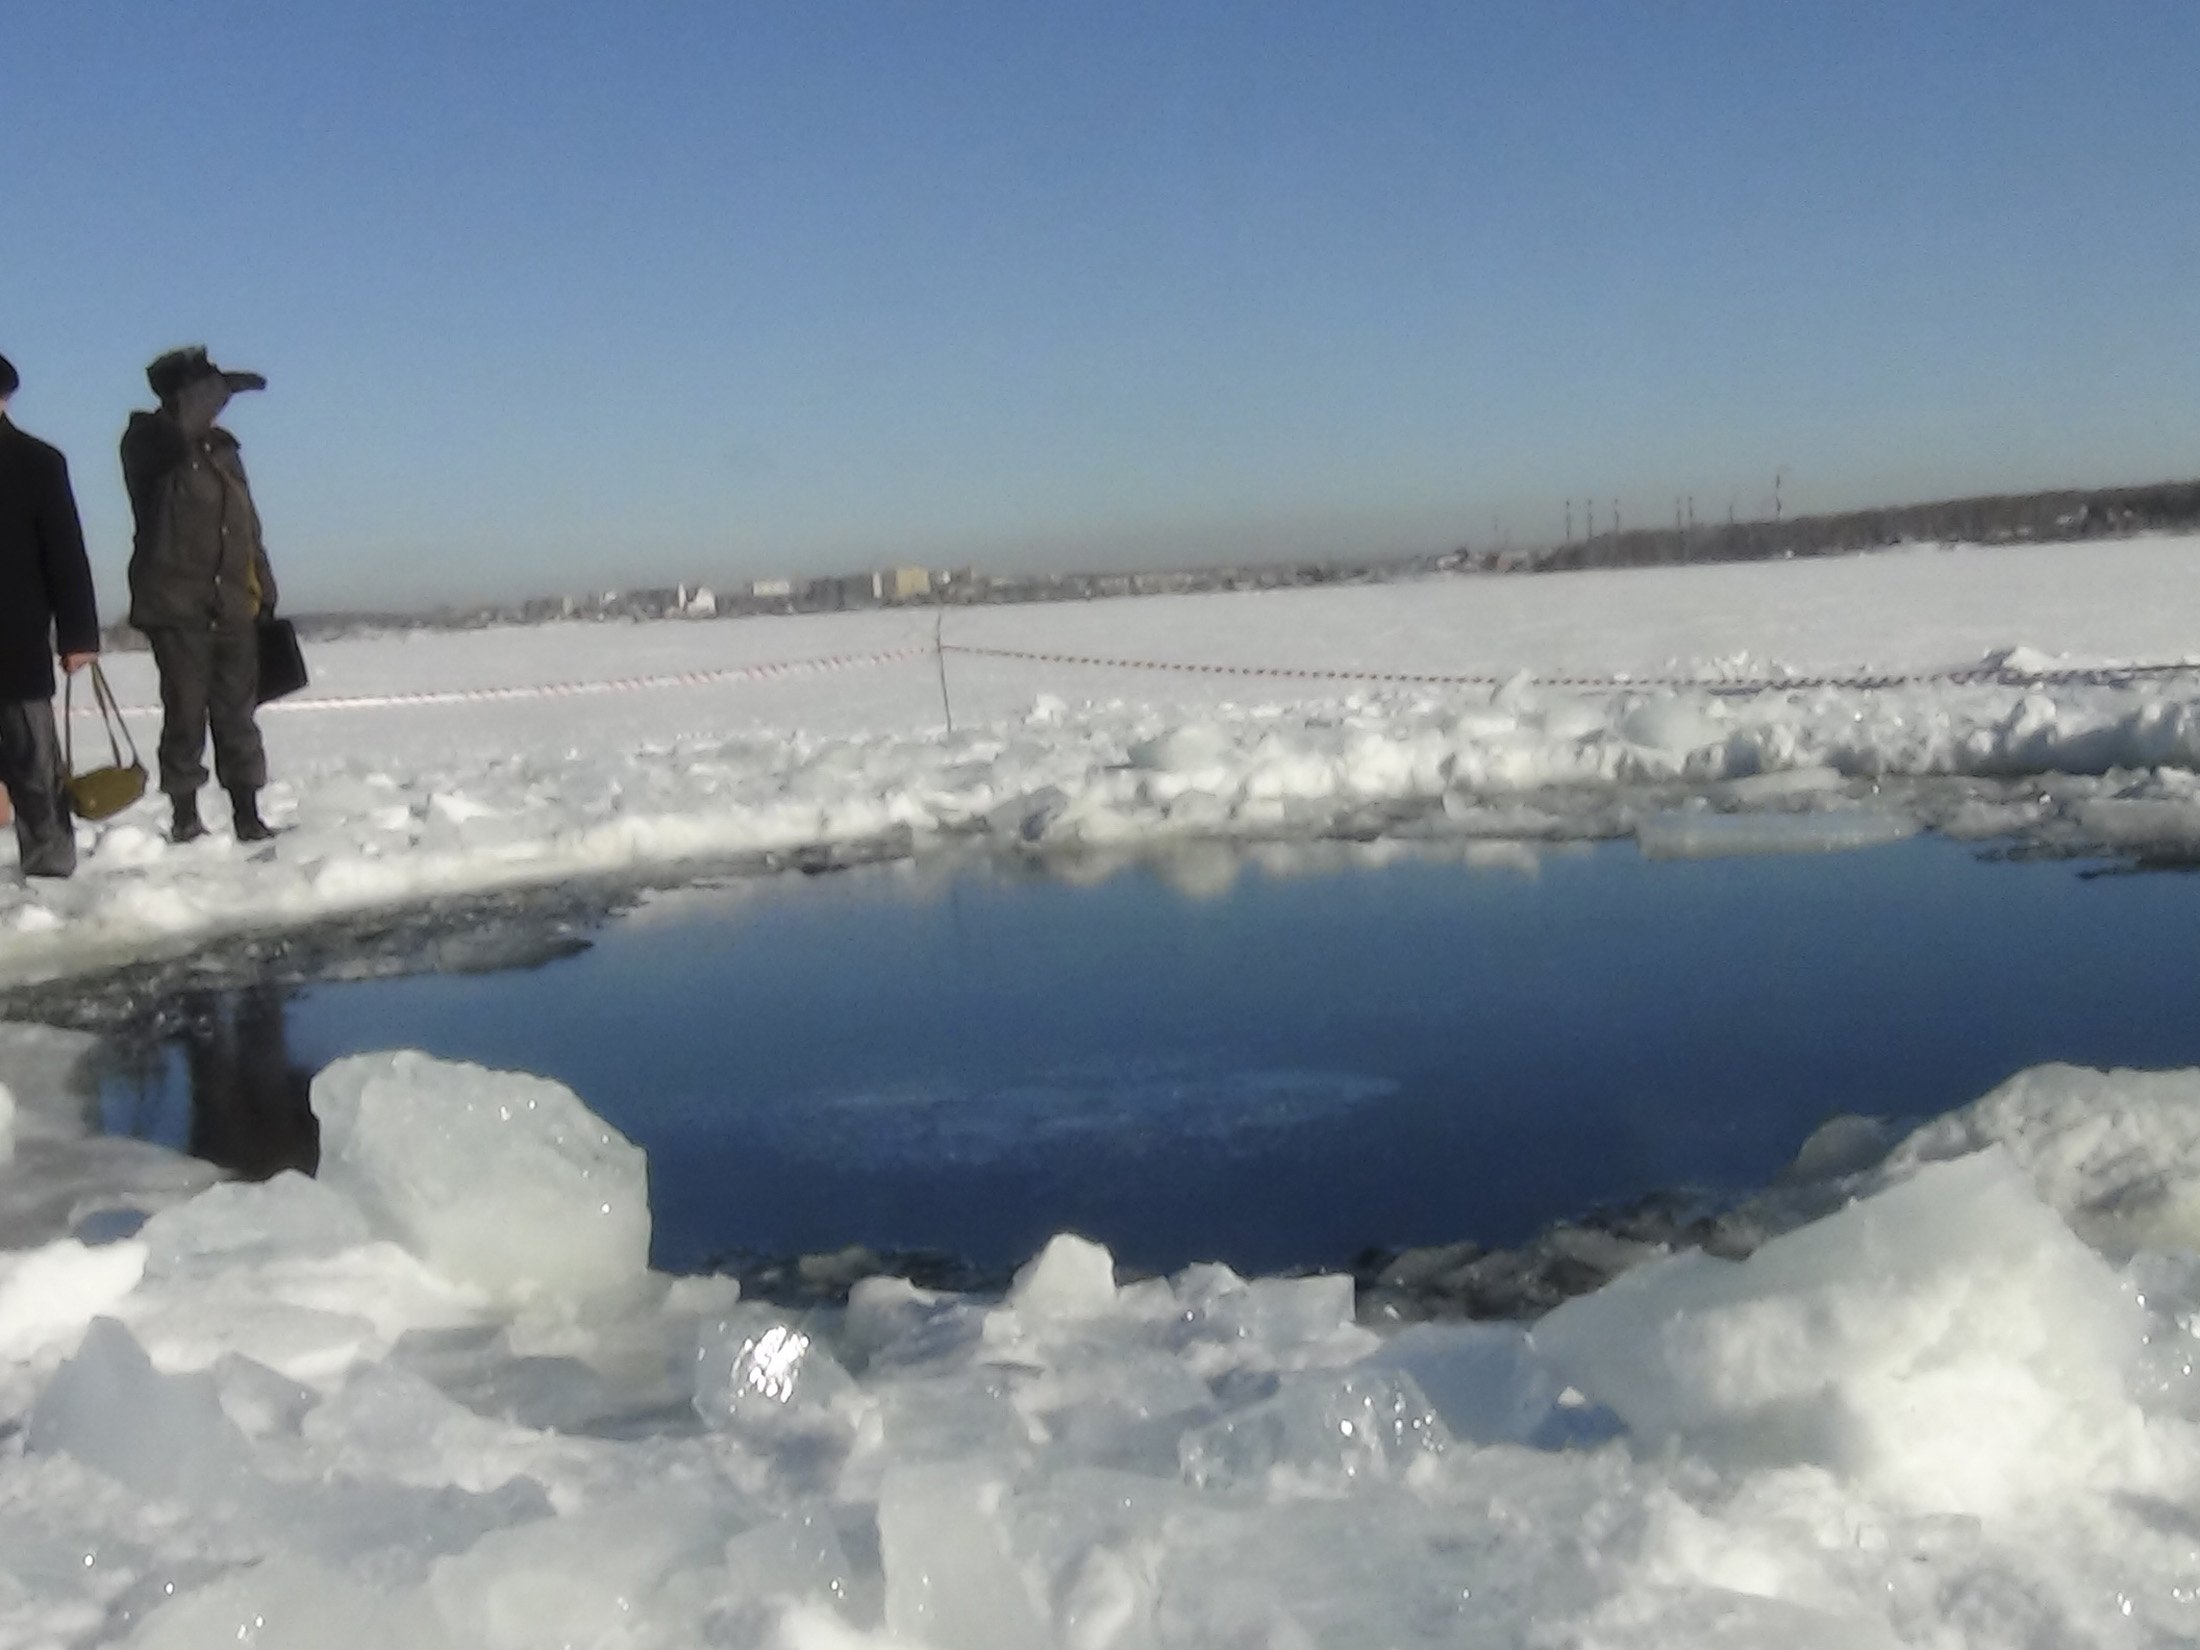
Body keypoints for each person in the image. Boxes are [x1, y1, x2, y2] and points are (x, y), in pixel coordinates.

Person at [120, 345, 279, 843]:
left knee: (237, 713)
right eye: (208, 392)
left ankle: (247, 813)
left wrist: (264, 592)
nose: (219, 404)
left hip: (233, 603)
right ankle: (185, 815)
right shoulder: (149, 442)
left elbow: (246, 528)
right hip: (176, 604)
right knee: (186, 710)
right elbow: (179, 429)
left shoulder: (224, 451)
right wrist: (220, 385)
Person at [0, 351, 102, 879]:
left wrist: (79, 633)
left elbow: (65, 552)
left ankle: (49, 873)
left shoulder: (37, 462)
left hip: (13, 644)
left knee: (34, 771)